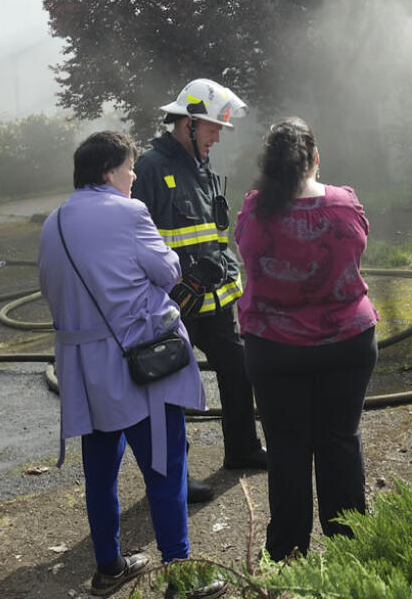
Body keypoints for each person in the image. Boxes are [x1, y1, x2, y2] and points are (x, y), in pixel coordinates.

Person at [37, 131, 225, 598]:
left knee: (100, 471)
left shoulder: (53, 222)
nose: (134, 176)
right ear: (108, 171)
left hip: (84, 371)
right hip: (140, 365)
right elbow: (169, 272)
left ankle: (109, 568)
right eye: (129, 168)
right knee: (166, 465)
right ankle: (181, 575)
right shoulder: (129, 212)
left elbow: (51, 290)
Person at [234, 117, 379, 562]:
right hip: (347, 342)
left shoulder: (255, 209)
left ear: (269, 165)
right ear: (316, 158)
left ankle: (286, 556)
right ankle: (351, 552)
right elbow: (358, 249)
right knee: (340, 440)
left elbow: (244, 252)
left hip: (274, 348)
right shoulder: (344, 203)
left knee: (287, 448)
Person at [131, 78, 266, 504]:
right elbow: (135, 239)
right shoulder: (150, 168)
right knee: (170, 387)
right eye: (212, 126)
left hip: (214, 301)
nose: (218, 135)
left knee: (238, 366)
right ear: (188, 123)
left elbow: (210, 235)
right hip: (172, 304)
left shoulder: (200, 166)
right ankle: (176, 476)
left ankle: (242, 450)